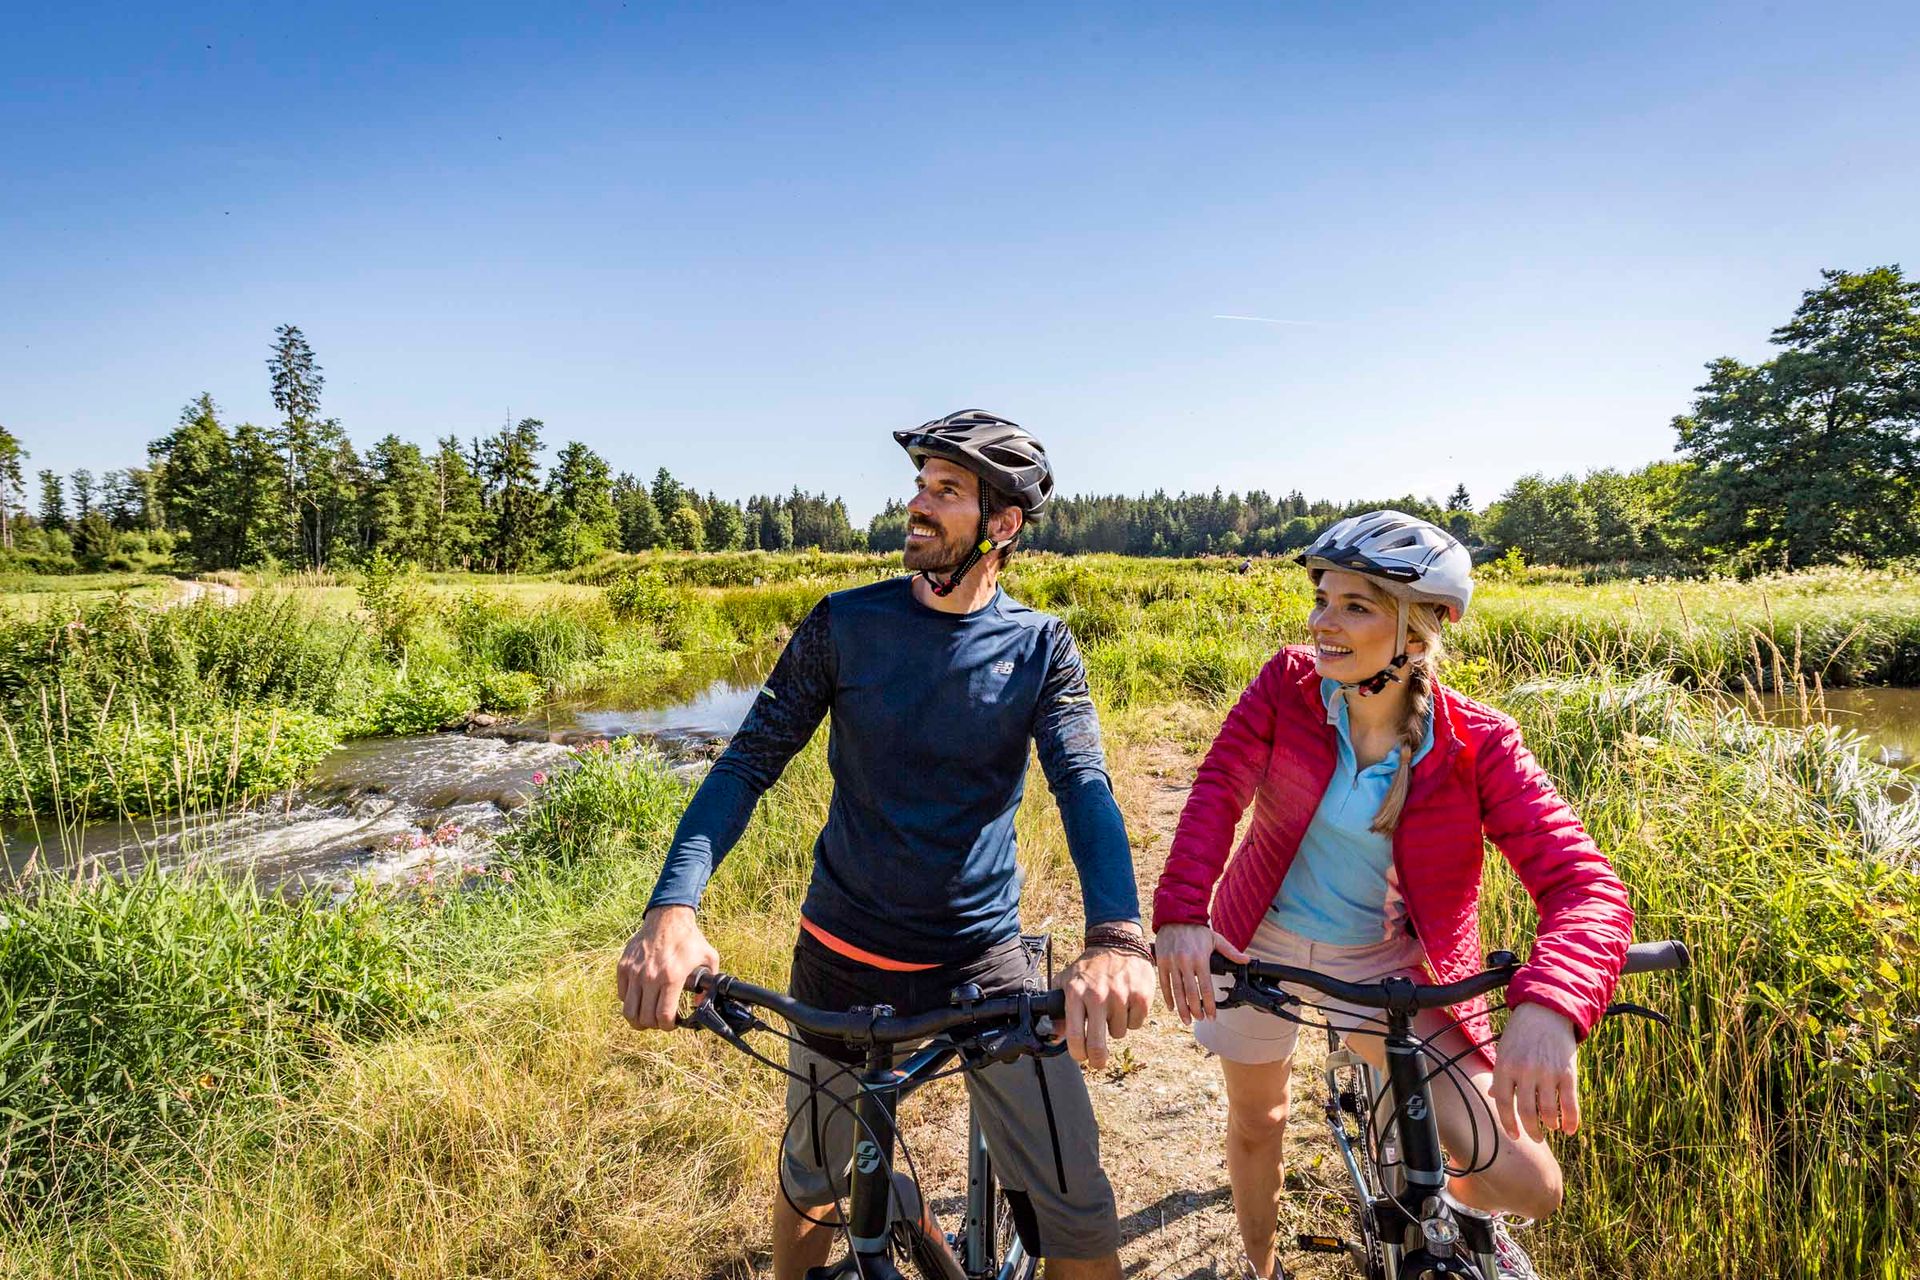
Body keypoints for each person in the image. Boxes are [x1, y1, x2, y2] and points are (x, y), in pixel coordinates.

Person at [618, 410, 1156, 1280]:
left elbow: (1084, 784)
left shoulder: (1042, 647)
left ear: (1002, 523)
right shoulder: (845, 625)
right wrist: (672, 906)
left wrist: (1117, 939)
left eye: (946, 491)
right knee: (809, 1182)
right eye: (920, 484)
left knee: (1080, 1216)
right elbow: (748, 761)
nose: (918, 503)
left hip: (983, 968)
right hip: (840, 961)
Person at [1151, 511, 1634, 1280]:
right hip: (1258, 945)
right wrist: (1182, 912)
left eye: (1355, 606)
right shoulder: (1288, 687)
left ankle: (1464, 1215)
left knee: (1530, 1185)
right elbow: (1216, 794)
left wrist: (1549, 1007)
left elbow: (1586, 888)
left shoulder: (1481, 744)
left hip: (1389, 969)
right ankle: (1262, 1267)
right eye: (1322, 597)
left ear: (1419, 631)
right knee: (1257, 1121)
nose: (1322, 622)